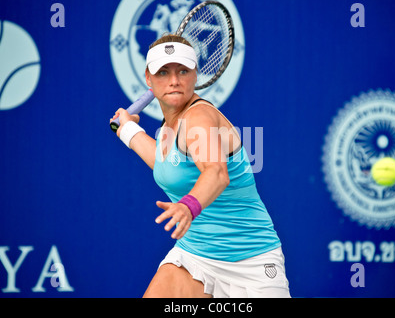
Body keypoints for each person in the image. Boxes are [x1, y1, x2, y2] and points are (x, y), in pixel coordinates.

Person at [110, 34, 291, 298]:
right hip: (194, 257)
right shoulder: (168, 127)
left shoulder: (198, 117)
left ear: (196, 76)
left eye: (183, 70)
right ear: (149, 80)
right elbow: (163, 163)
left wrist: (188, 205)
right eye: (163, 72)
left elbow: (216, 173)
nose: (174, 80)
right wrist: (127, 129)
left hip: (251, 262)